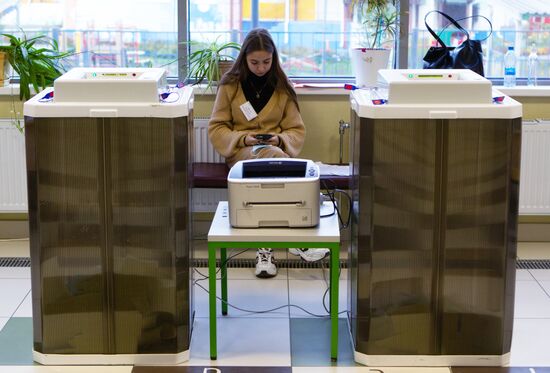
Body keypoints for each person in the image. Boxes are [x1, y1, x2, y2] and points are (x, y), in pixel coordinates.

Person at [208, 28, 329, 278]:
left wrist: (279, 139)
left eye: (266, 62)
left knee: (272, 167)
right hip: (241, 152)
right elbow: (217, 127)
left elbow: (296, 130)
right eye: (254, 62)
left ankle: (265, 253)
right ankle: (300, 239)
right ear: (244, 59)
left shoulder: (282, 87)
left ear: (274, 59)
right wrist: (244, 137)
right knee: (278, 164)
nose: (261, 68)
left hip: (274, 151)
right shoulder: (230, 85)